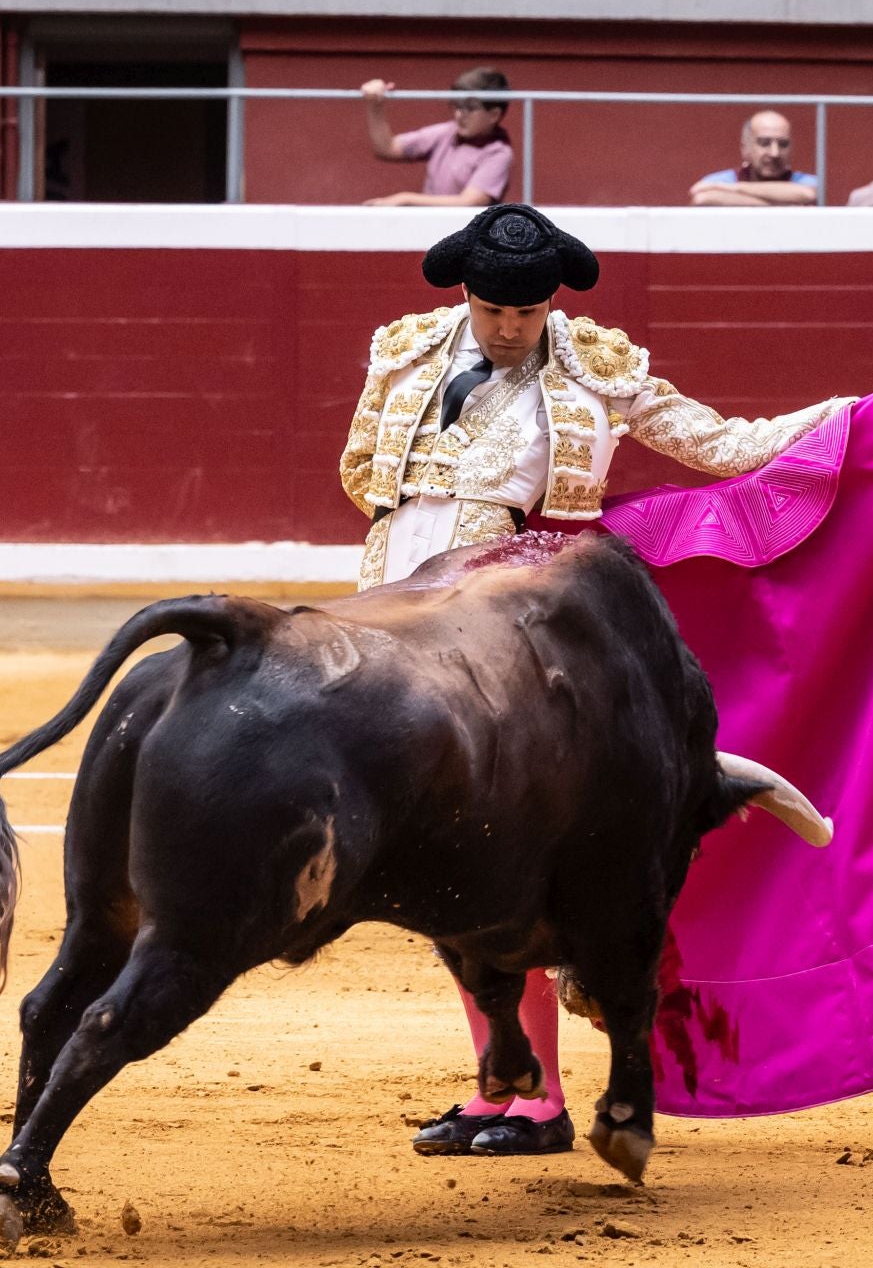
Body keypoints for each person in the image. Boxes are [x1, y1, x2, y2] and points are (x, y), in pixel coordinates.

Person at [338, 203, 844, 1153]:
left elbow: (723, 446)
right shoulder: (405, 352)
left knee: (508, 855)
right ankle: (500, 1084)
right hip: (393, 615)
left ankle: (539, 1101)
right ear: (465, 291)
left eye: (526, 313)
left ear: (552, 302)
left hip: (518, 642)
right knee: (444, 858)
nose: (509, 327)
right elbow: (374, 483)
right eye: (493, 308)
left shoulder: (594, 367)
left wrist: (844, 420)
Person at [360, 67, 515, 207]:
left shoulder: (499, 152)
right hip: (433, 228)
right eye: (457, 105)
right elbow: (387, 148)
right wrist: (375, 105)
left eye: (470, 108)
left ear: (494, 115)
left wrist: (406, 199)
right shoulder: (446, 132)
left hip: (471, 234)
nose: (459, 114)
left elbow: (469, 202)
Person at [689, 111, 818, 206]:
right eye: (764, 143)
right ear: (745, 149)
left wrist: (735, 189)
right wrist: (785, 203)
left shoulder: (805, 181)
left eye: (783, 144)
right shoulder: (724, 179)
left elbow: (808, 195)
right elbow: (702, 199)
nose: (775, 153)